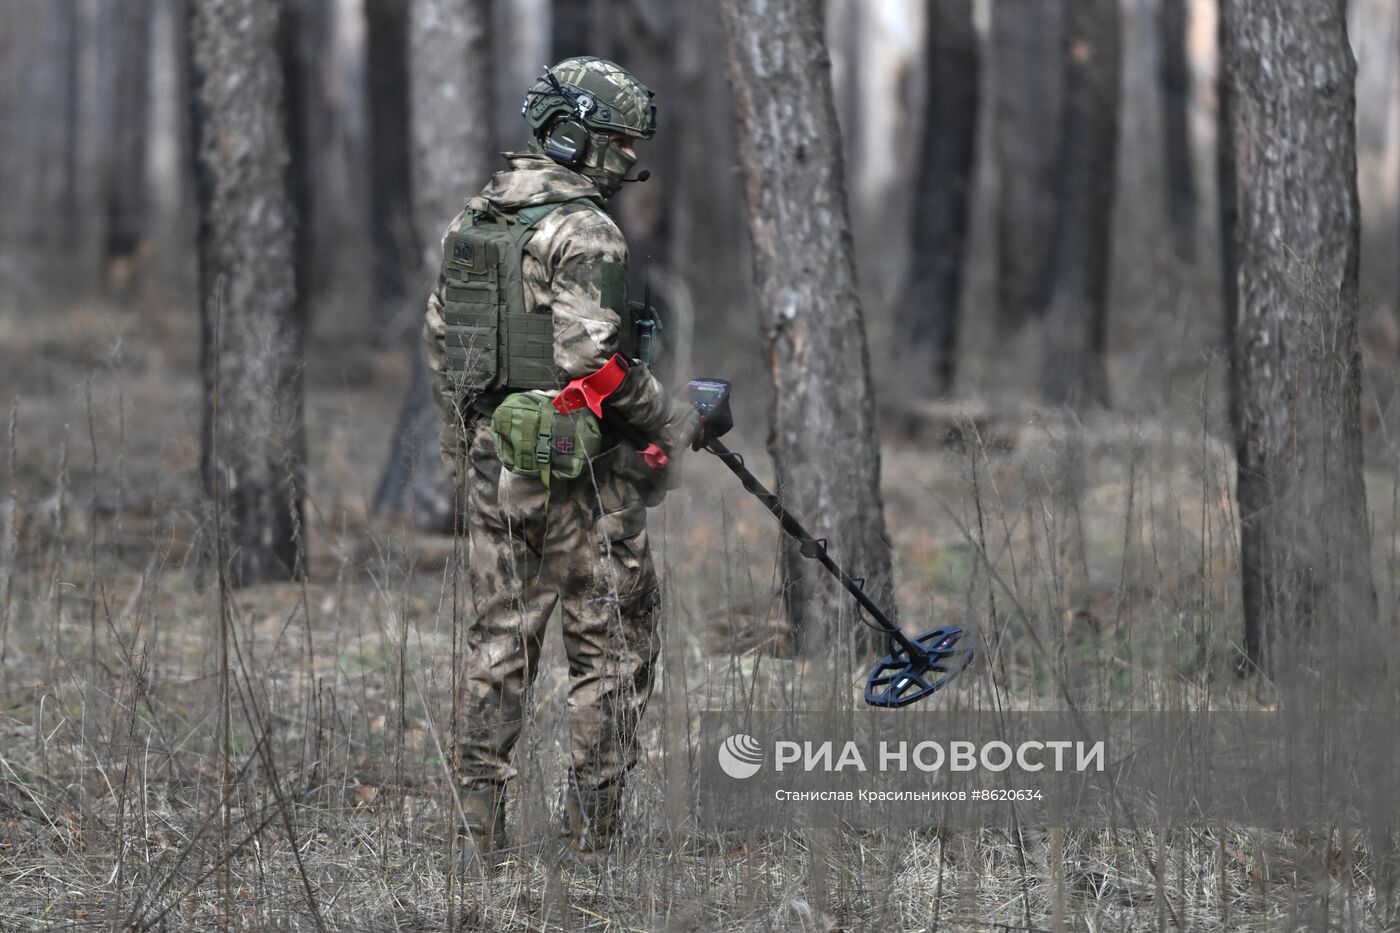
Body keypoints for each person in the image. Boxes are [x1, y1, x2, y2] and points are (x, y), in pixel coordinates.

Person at [422, 56, 700, 864]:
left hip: (492, 456)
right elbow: (594, 364)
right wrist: (671, 418)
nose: (625, 156)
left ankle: (476, 835)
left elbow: (446, 347)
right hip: (575, 474)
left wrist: (465, 455)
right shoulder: (585, 231)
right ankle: (592, 841)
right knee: (613, 643)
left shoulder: (475, 220)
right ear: (573, 131)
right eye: (614, 139)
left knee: (496, 642)